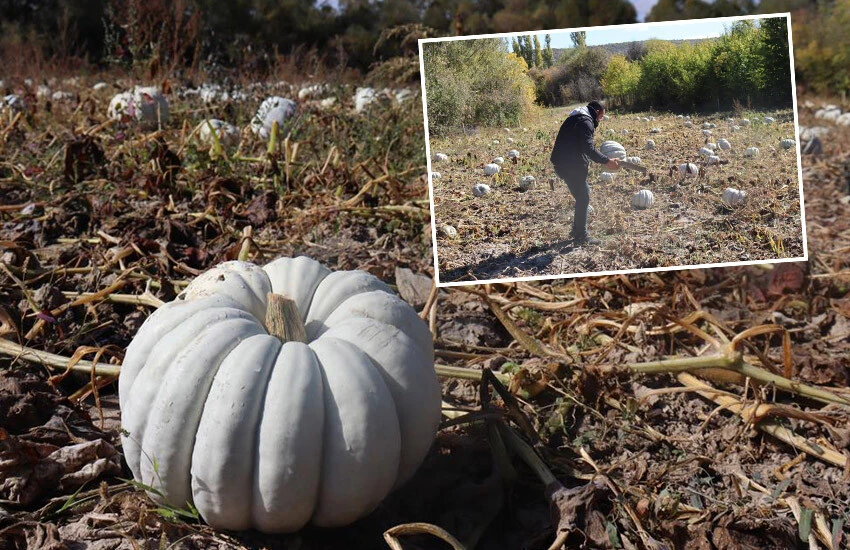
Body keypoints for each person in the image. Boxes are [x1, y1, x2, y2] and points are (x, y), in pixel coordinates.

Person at [550, 100, 620, 246]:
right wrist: (607, 161)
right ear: (596, 112)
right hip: (569, 164)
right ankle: (581, 236)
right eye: (601, 117)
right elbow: (588, 148)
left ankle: (577, 230)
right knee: (584, 196)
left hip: (562, 162)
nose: (600, 120)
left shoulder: (576, 117)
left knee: (581, 197)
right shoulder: (585, 122)